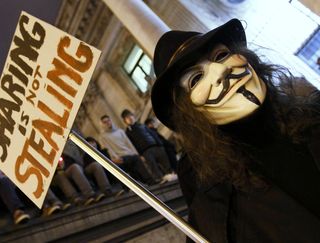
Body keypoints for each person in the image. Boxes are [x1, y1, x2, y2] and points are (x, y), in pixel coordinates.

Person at [151, 18, 320, 242]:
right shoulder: (215, 214)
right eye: (196, 79)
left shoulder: (312, 115)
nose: (220, 71)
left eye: (221, 55)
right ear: (189, 114)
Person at [121, 109, 177, 183]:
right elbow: (132, 144)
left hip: (156, 147)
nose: (130, 118)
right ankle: (160, 180)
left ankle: (173, 176)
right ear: (125, 121)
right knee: (154, 168)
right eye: (127, 118)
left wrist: (160, 145)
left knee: (166, 164)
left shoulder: (142, 125)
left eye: (130, 116)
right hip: (145, 151)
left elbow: (153, 134)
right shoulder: (127, 132)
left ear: (133, 116)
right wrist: (140, 154)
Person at [99, 115, 155, 185]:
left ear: (111, 121)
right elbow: (108, 149)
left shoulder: (120, 131)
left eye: (108, 120)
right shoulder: (103, 137)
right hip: (119, 157)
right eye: (105, 122)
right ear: (102, 125)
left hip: (130, 154)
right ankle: (140, 183)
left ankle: (150, 181)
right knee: (130, 162)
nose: (107, 123)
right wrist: (115, 158)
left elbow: (129, 144)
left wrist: (137, 154)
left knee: (137, 159)